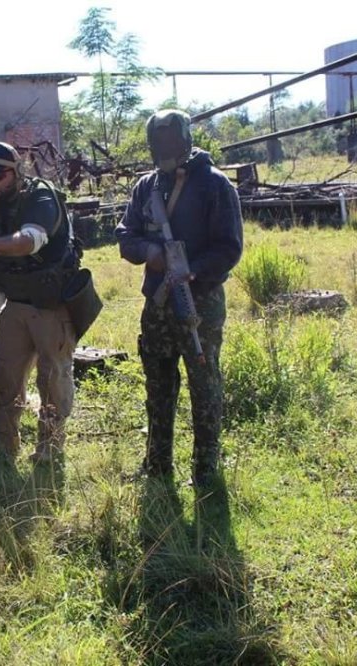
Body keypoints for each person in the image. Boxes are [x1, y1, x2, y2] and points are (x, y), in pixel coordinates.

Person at [115, 110, 243, 487]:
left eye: (170, 142)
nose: (165, 150)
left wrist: (192, 269)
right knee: (158, 385)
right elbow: (126, 235)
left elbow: (230, 247)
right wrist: (150, 253)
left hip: (199, 302)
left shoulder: (214, 185)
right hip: (157, 304)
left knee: (204, 385)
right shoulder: (146, 186)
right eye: (158, 144)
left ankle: (205, 469)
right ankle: (157, 464)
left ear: (186, 140)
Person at [0, 141, 81, 464]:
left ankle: (50, 447)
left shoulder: (40, 198)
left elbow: (30, 241)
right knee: (5, 374)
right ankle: (4, 443)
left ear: (16, 173)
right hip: (15, 301)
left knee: (52, 377)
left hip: (50, 303)